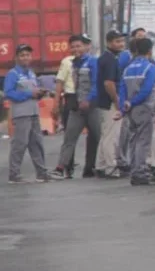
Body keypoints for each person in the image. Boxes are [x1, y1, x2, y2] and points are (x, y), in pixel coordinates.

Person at [4, 44, 59, 183]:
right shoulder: (13, 74)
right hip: (21, 113)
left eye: (27, 55)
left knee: (37, 143)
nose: (25, 57)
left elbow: (33, 92)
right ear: (16, 57)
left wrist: (40, 93)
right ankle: (14, 175)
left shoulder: (31, 73)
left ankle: (41, 173)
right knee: (20, 144)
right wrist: (29, 93)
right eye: (22, 55)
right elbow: (9, 93)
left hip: (34, 112)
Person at [119, 37, 155, 186]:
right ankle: (140, 171)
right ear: (149, 51)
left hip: (131, 110)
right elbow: (146, 90)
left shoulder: (128, 68)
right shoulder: (150, 67)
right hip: (144, 108)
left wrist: (124, 106)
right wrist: (133, 102)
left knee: (133, 140)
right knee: (143, 141)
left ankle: (134, 170)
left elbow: (121, 89)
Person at [51, 34, 92, 178]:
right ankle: (63, 167)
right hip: (73, 100)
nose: (76, 49)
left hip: (91, 102)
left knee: (95, 136)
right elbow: (60, 82)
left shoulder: (92, 62)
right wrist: (56, 103)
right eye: (73, 46)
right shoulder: (68, 62)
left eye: (79, 46)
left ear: (87, 46)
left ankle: (90, 168)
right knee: (70, 135)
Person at [89, 30, 126, 178]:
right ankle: (111, 167)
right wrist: (117, 102)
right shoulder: (110, 60)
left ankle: (101, 165)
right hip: (110, 102)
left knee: (106, 135)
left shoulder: (106, 58)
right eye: (117, 41)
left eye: (122, 41)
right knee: (111, 136)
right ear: (109, 43)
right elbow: (109, 83)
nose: (121, 44)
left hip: (103, 102)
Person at [115, 28, 142, 175]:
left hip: (134, 100)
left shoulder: (143, 60)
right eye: (138, 37)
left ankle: (132, 161)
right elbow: (122, 80)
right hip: (128, 99)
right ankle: (123, 161)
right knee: (126, 133)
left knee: (134, 134)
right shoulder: (126, 57)